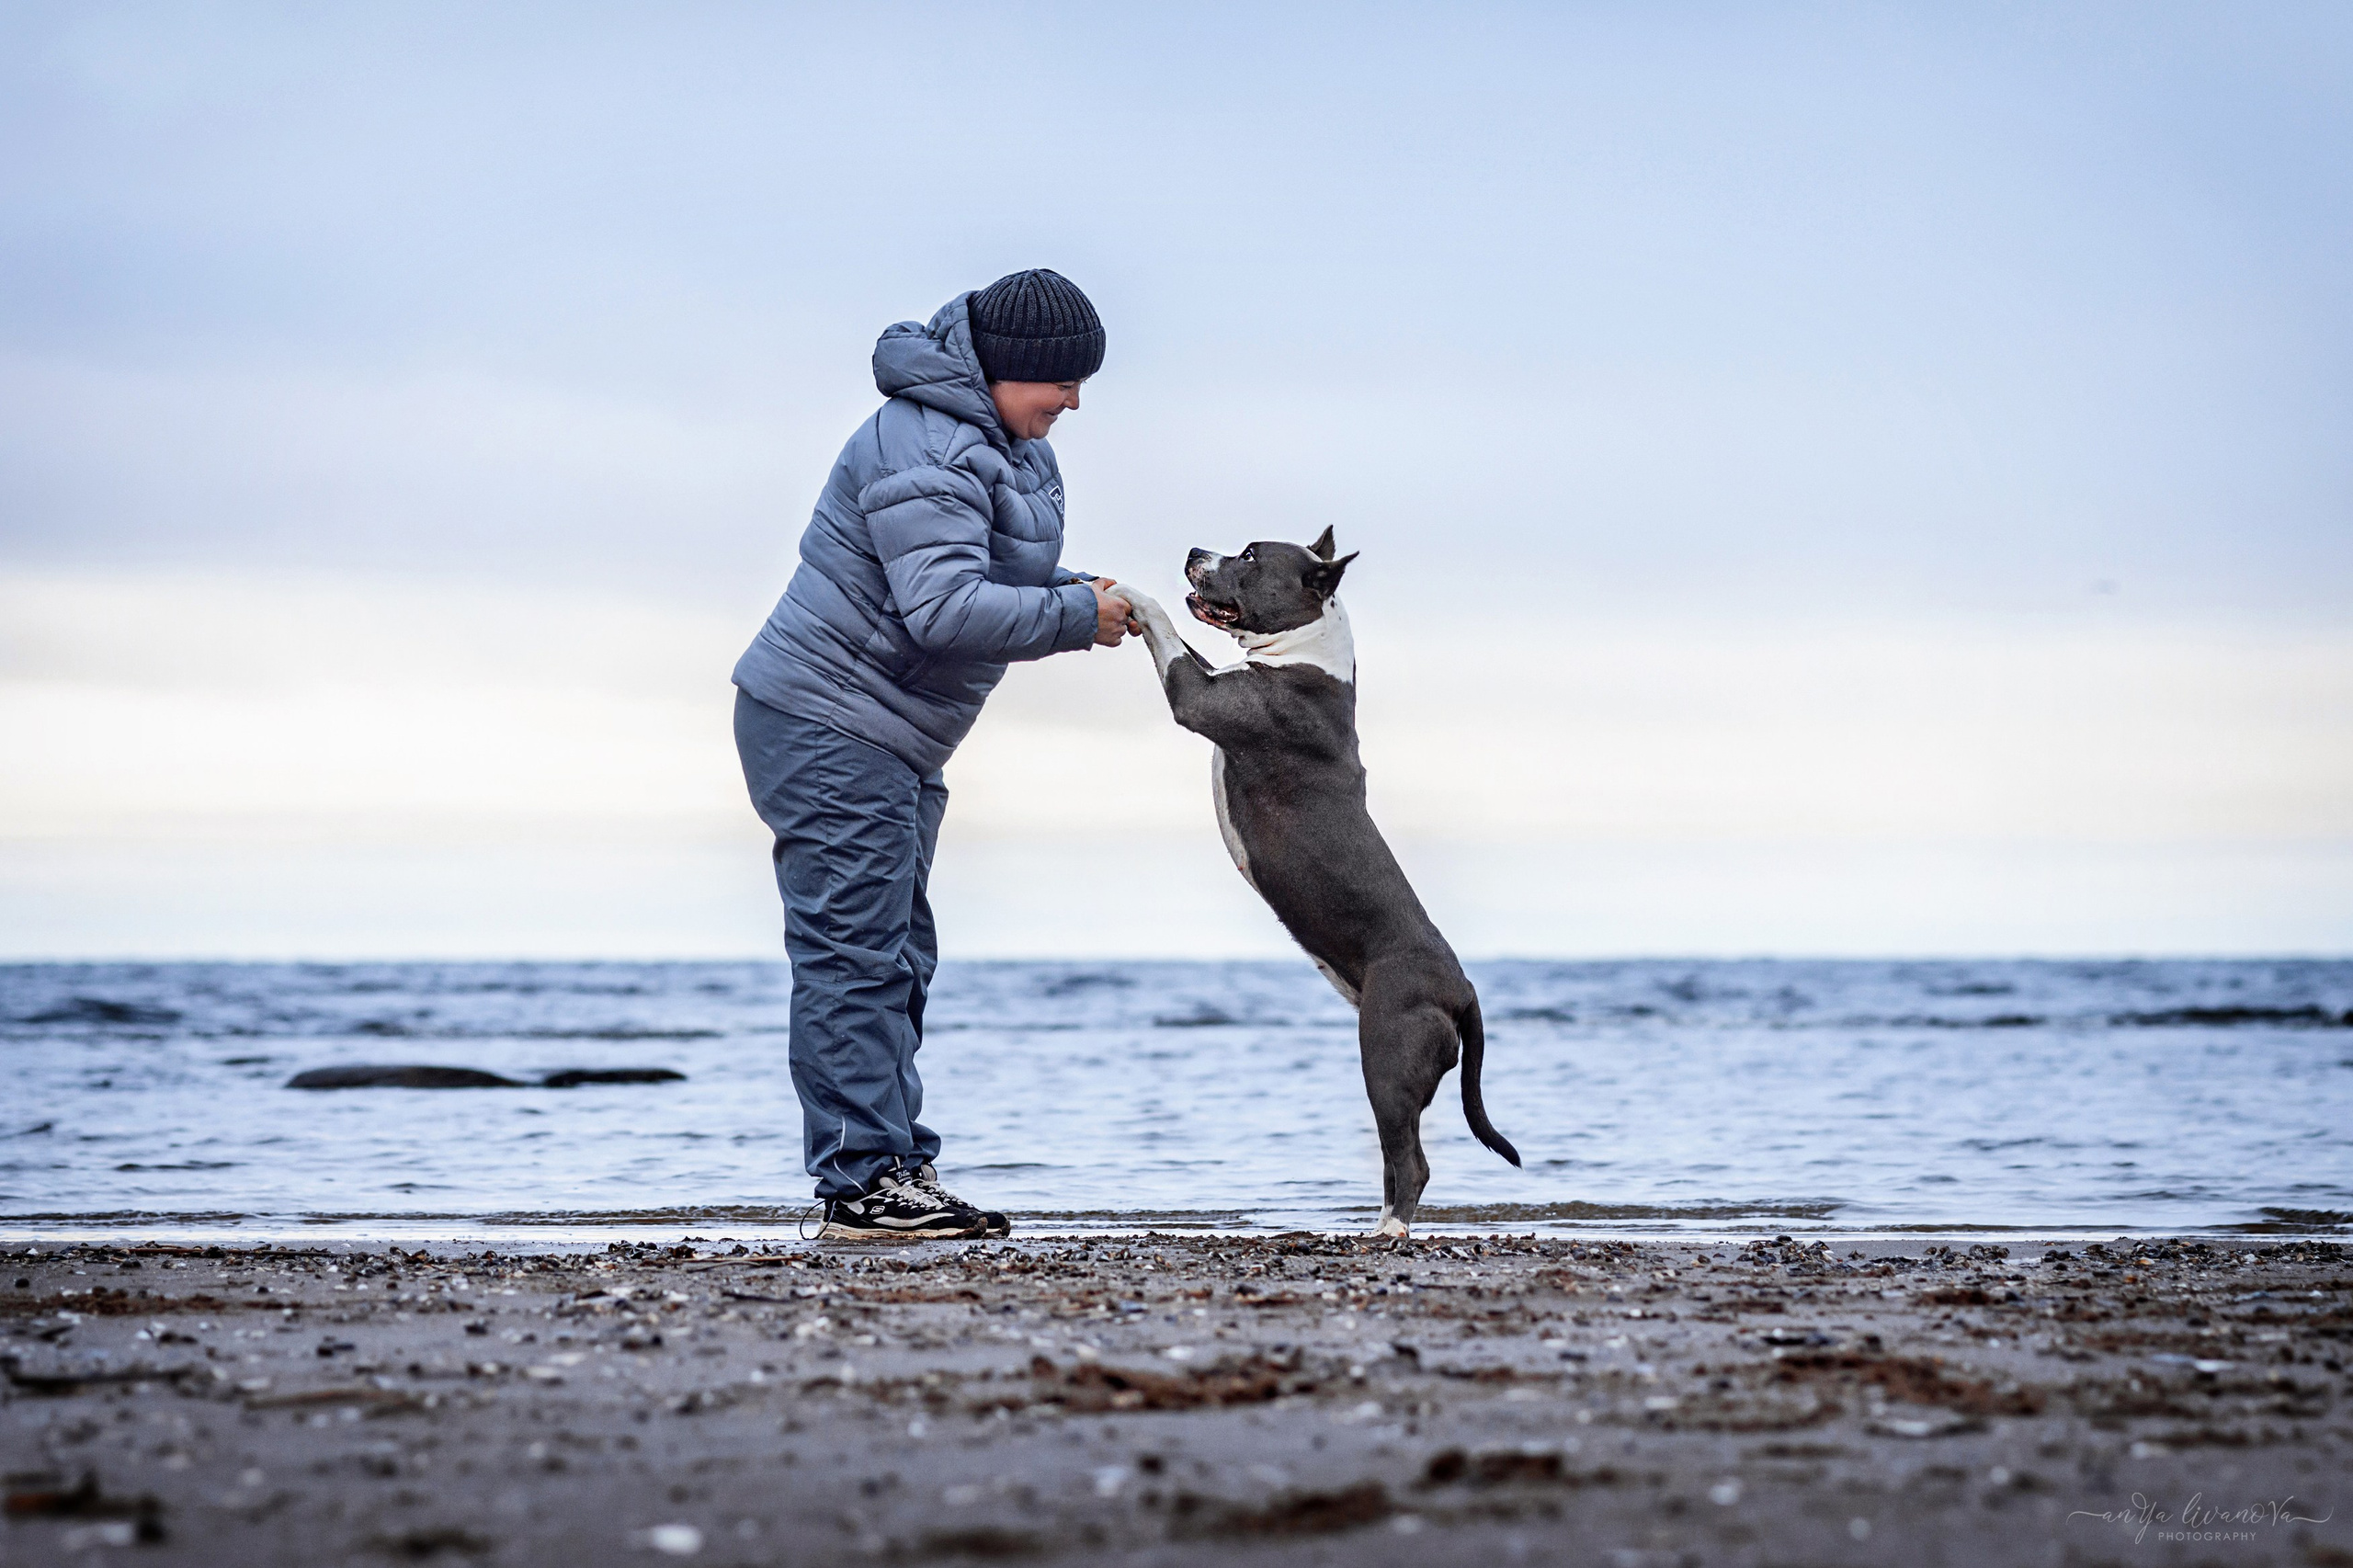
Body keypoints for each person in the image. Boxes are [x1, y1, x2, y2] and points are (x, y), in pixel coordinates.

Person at [731, 270, 1133, 1241]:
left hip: (890, 732)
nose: (1074, 400)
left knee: (897, 957)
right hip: (830, 723)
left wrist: (1081, 590)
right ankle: (862, 1184)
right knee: (853, 960)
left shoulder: (1000, 443)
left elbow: (985, 571)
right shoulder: (928, 441)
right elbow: (945, 607)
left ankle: (893, 1167)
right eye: (1062, 381)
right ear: (1009, 368)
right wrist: (1079, 615)